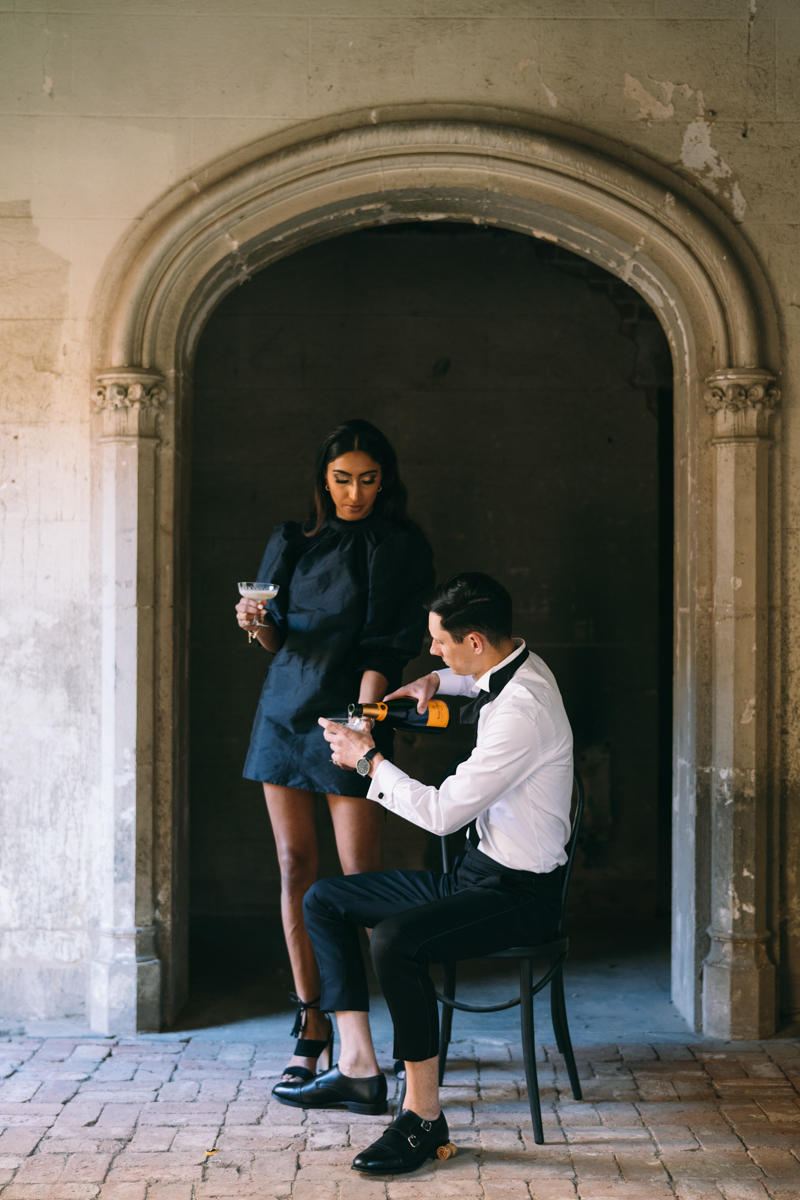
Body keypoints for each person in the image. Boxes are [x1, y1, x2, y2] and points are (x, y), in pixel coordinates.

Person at [271, 572, 574, 1176]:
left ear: (477, 641)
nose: (432, 650)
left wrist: (368, 761)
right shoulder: (516, 664)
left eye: (440, 644)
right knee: (326, 899)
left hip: (520, 896)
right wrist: (438, 680)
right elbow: (471, 677)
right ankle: (358, 1069)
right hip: (478, 875)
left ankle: (423, 1120)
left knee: (396, 940)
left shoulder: (521, 712)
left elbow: (439, 815)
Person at [235, 419, 434, 1086]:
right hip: (283, 715)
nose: (355, 492)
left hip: (352, 714)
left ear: (386, 478)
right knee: (295, 866)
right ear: (324, 478)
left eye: (369, 479)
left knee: (359, 880)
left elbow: (387, 644)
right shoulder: (293, 541)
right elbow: (274, 641)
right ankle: (312, 1021)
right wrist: (257, 626)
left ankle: (395, 1034)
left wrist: (365, 721)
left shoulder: (399, 543)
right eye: (343, 479)